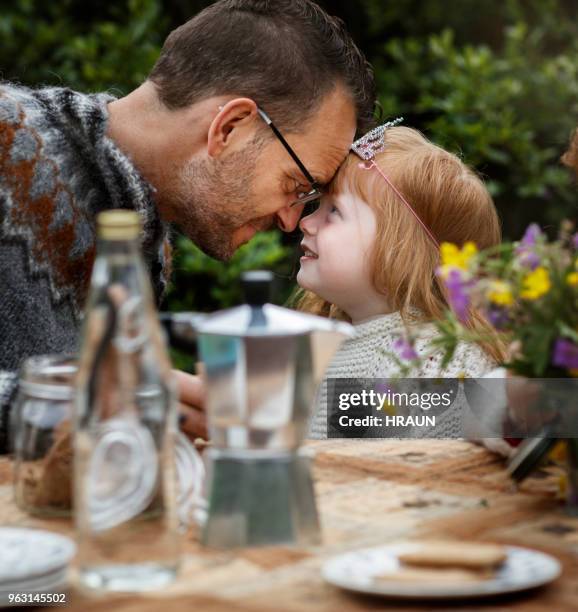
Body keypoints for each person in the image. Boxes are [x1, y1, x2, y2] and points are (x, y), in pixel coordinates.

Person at [0, 0, 376, 452]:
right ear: (231, 127)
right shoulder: (7, 146)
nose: (292, 220)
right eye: (296, 184)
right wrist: (74, 406)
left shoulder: (140, 228)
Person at [294, 124, 506, 439]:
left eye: (334, 211)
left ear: (402, 248)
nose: (305, 222)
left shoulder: (433, 364)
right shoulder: (326, 338)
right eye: (317, 206)